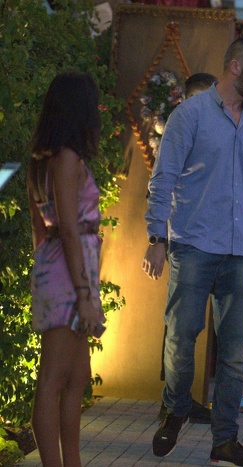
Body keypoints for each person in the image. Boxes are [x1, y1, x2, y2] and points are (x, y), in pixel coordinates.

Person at [142, 36, 243, 467]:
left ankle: (224, 441)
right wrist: (157, 239)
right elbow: (163, 179)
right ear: (235, 67)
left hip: (242, 250)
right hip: (192, 245)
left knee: (232, 352)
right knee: (181, 336)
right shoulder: (188, 116)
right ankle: (176, 408)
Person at [28, 71, 106, 467]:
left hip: (58, 267)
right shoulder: (66, 158)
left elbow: (38, 231)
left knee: (76, 377)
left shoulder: (42, 160)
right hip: (69, 273)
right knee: (56, 378)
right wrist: (84, 293)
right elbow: (71, 231)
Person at [157, 71, 218, 425]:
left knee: (190, 329)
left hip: (215, 240)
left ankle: (181, 398)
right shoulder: (180, 130)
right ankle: (174, 401)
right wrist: (158, 238)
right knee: (180, 328)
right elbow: (162, 183)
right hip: (185, 239)